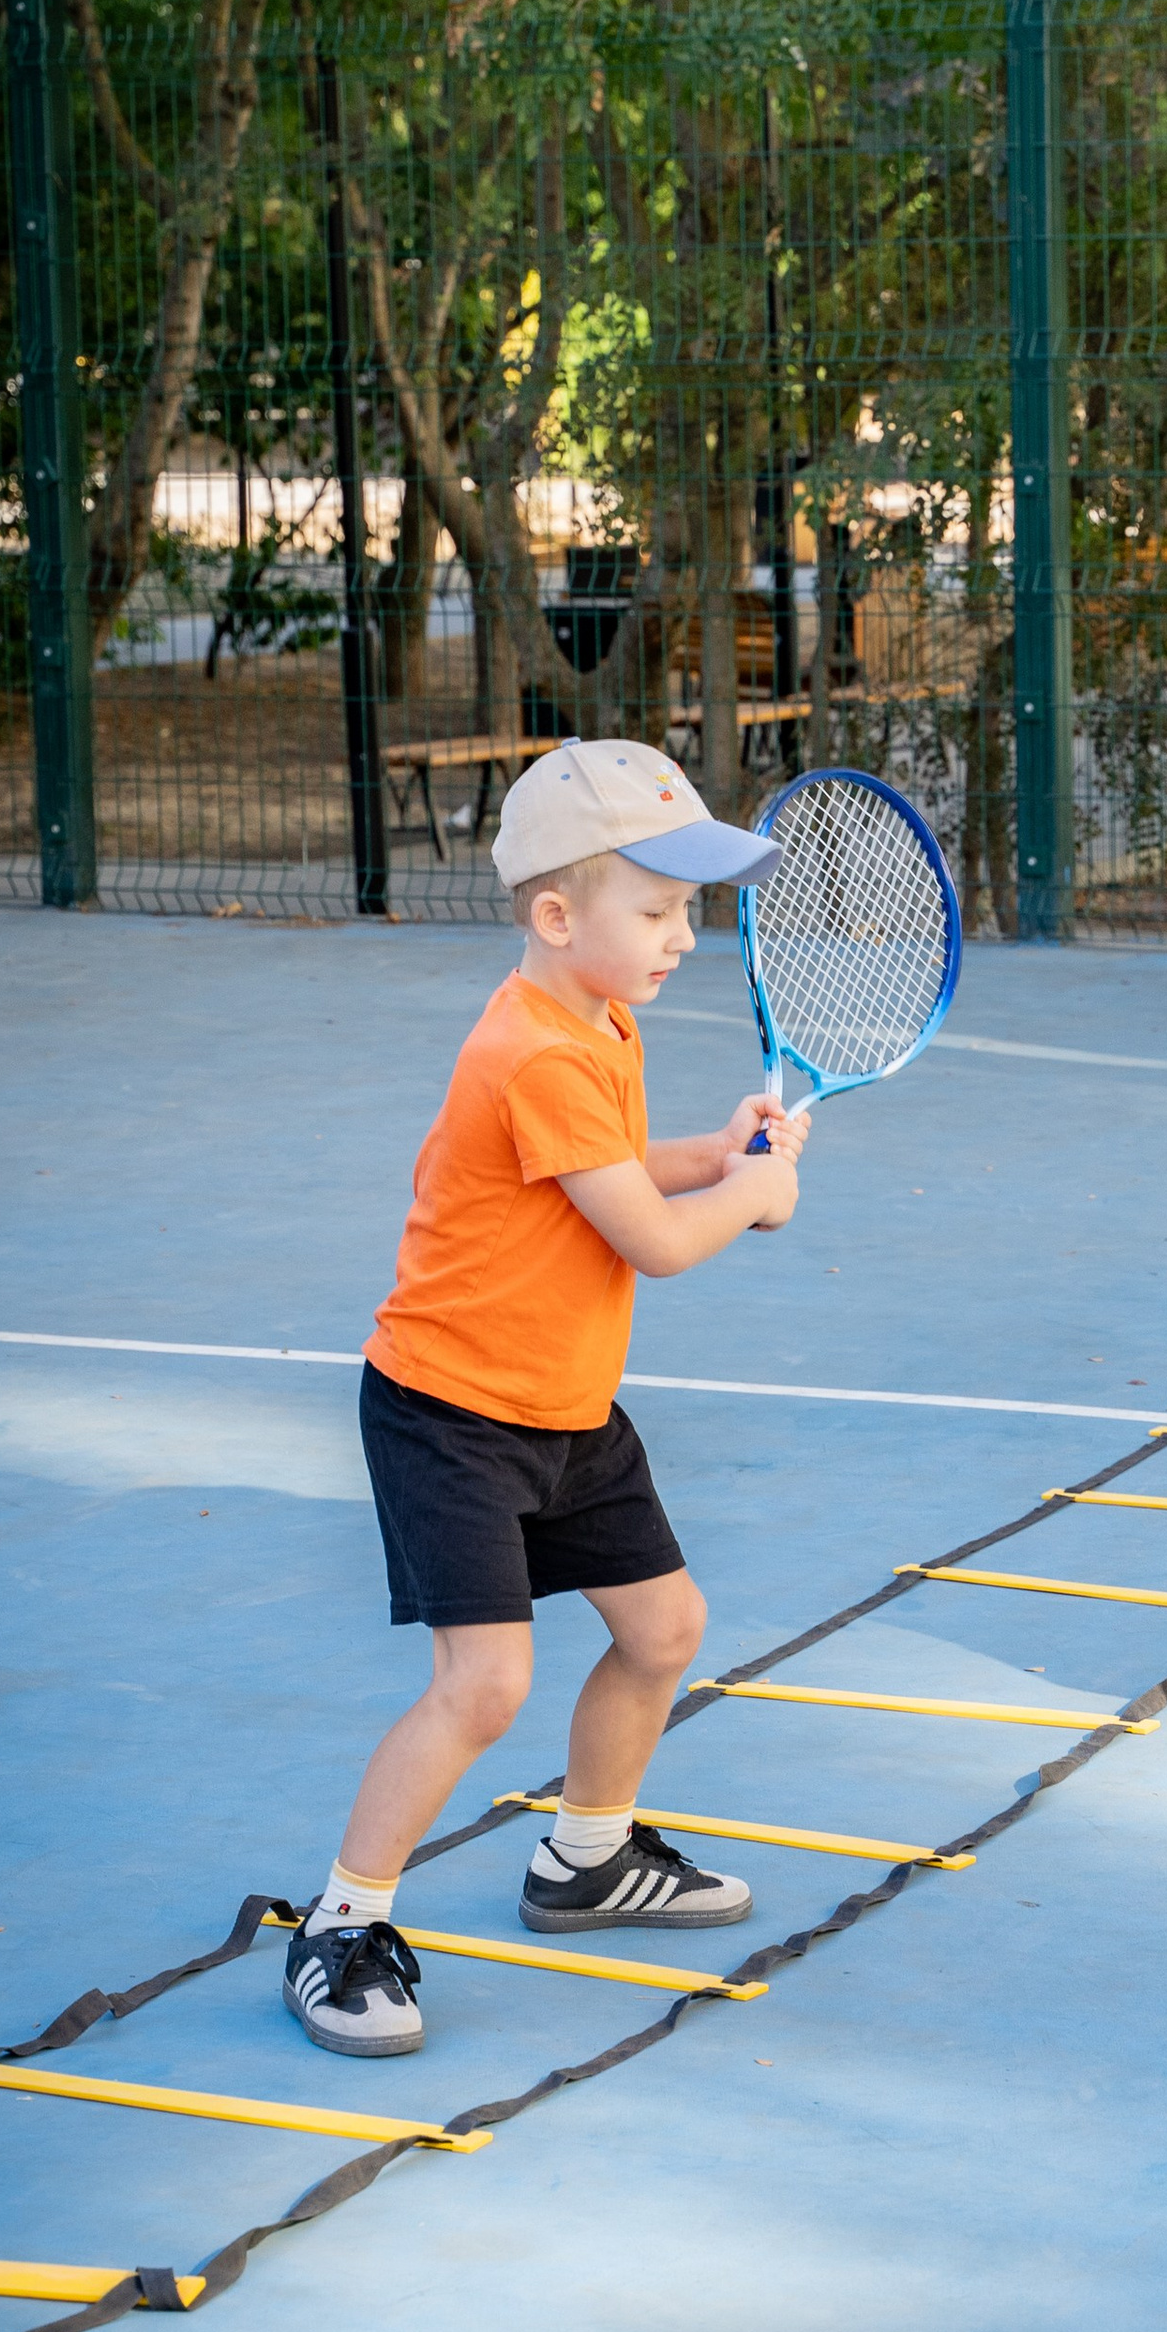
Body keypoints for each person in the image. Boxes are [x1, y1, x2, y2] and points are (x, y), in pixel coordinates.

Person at [284, 739, 808, 2058]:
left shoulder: (598, 1021)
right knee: (485, 1684)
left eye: (690, 909)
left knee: (662, 1629)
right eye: (659, 909)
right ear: (559, 917)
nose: (684, 937)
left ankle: (586, 1861)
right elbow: (656, 1240)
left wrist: (715, 1150)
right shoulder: (535, 1054)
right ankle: (339, 1924)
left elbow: (619, 1168)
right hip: (452, 1414)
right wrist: (749, 1194)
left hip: (567, 1406)